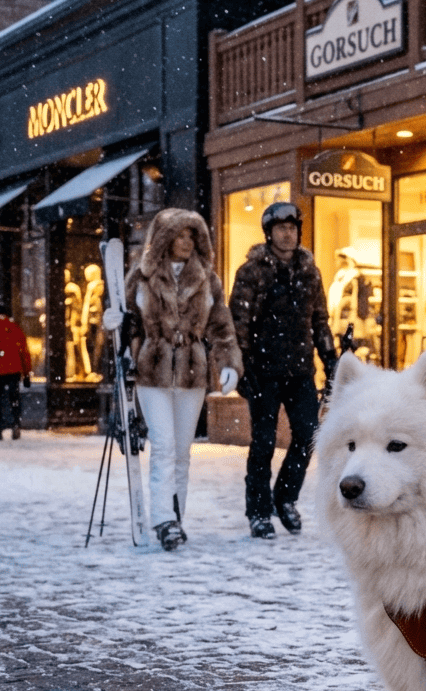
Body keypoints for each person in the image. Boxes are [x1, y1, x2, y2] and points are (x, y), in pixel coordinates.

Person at [104, 209, 243, 551]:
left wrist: (228, 363)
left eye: (191, 236)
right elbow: (126, 322)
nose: (187, 242)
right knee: (164, 445)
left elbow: (221, 326)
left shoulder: (207, 278)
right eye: (180, 235)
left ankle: (176, 516)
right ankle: (163, 519)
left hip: (193, 372)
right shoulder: (142, 276)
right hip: (152, 370)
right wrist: (112, 328)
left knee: (182, 451)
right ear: (166, 239)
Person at [229, 201, 338, 539]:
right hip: (262, 370)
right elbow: (238, 323)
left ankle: (285, 497)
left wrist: (331, 361)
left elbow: (319, 320)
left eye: (292, 229)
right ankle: (259, 512)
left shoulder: (310, 272)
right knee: (263, 443)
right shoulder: (252, 271)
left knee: (308, 435)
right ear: (269, 233)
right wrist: (241, 367)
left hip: (300, 369)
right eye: (281, 229)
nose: (288, 234)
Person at [0, 302, 32, 440]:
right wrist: (26, 373)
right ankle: (16, 424)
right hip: (14, 370)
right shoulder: (15, 328)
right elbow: (24, 352)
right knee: (14, 398)